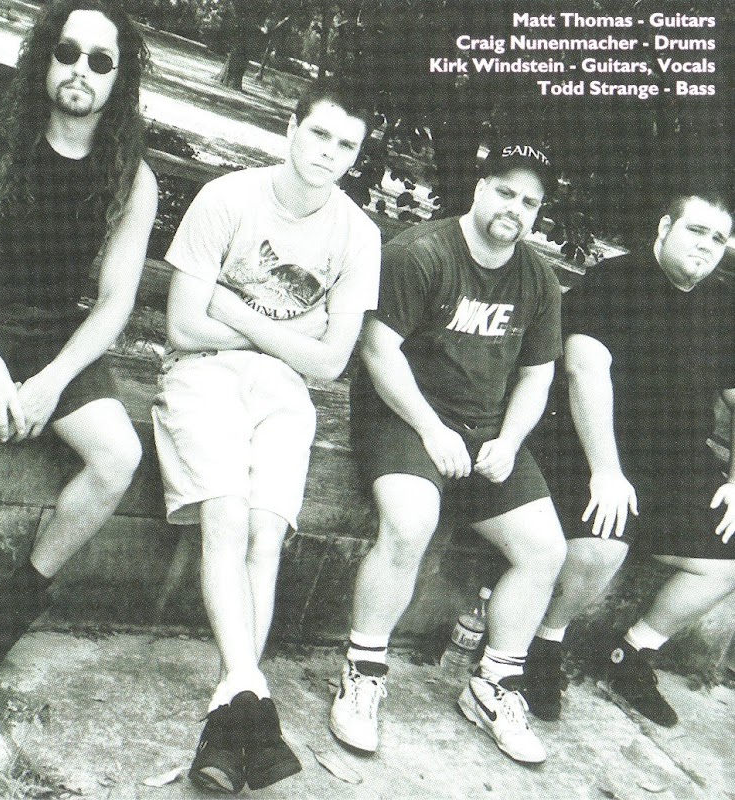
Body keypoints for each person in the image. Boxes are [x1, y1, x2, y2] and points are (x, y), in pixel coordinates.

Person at [152, 80, 380, 793]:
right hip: (204, 375)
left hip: (283, 393)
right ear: (291, 128)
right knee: (224, 513)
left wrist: (235, 311)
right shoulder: (228, 198)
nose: (330, 153)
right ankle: (252, 697)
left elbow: (330, 363)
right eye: (320, 134)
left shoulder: (359, 235)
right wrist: (291, 337)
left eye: (347, 145)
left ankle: (234, 714)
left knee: (266, 531)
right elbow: (182, 327)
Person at [330, 143, 567, 765]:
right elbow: (377, 350)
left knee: (545, 548)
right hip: (403, 417)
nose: (515, 208)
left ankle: (493, 684)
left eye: (530, 201)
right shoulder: (422, 252)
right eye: (506, 192)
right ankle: (363, 671)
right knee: (411, 521)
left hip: (486, 431)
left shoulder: (538, 278)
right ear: (480, 187)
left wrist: (510, 441)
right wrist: (432, 429)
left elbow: (537, 376)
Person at [0, 0, 157, 690]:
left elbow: (115, 303)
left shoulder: (131, 177)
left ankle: (5, 612)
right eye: (67, 52)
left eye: (100, 61)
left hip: (52, 340)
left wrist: (52, 379)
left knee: (118, 457)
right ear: (45, 56)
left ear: (119, 78)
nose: (80, 70)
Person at [522, 189, 735, 728]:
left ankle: (631, 652)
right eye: (695, 230)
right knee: (602, 546)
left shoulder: (721, 308)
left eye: (718, 238)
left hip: (676, 465)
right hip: (588, 449)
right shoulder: (615, 282)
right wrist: (606, 471)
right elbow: (584, 372)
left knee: (729, 555)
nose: (706, 245)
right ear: (664, 228)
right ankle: (543, 643)